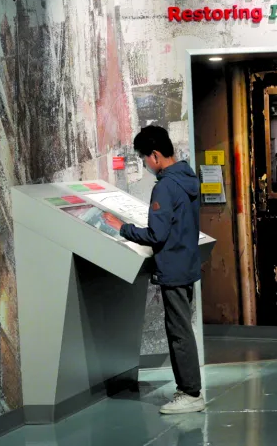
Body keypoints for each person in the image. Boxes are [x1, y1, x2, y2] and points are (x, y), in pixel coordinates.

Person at [102, 125, 204, 414]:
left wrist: (122, 228)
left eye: (145, 158)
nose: (146, 164)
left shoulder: (165, 186)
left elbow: (156, 235)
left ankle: (190, 393)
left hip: (172, 267)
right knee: (183, 329)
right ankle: (190, 388)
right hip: (186, 264)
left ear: (156, 155)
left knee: (178, 332)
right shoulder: (187, 177)